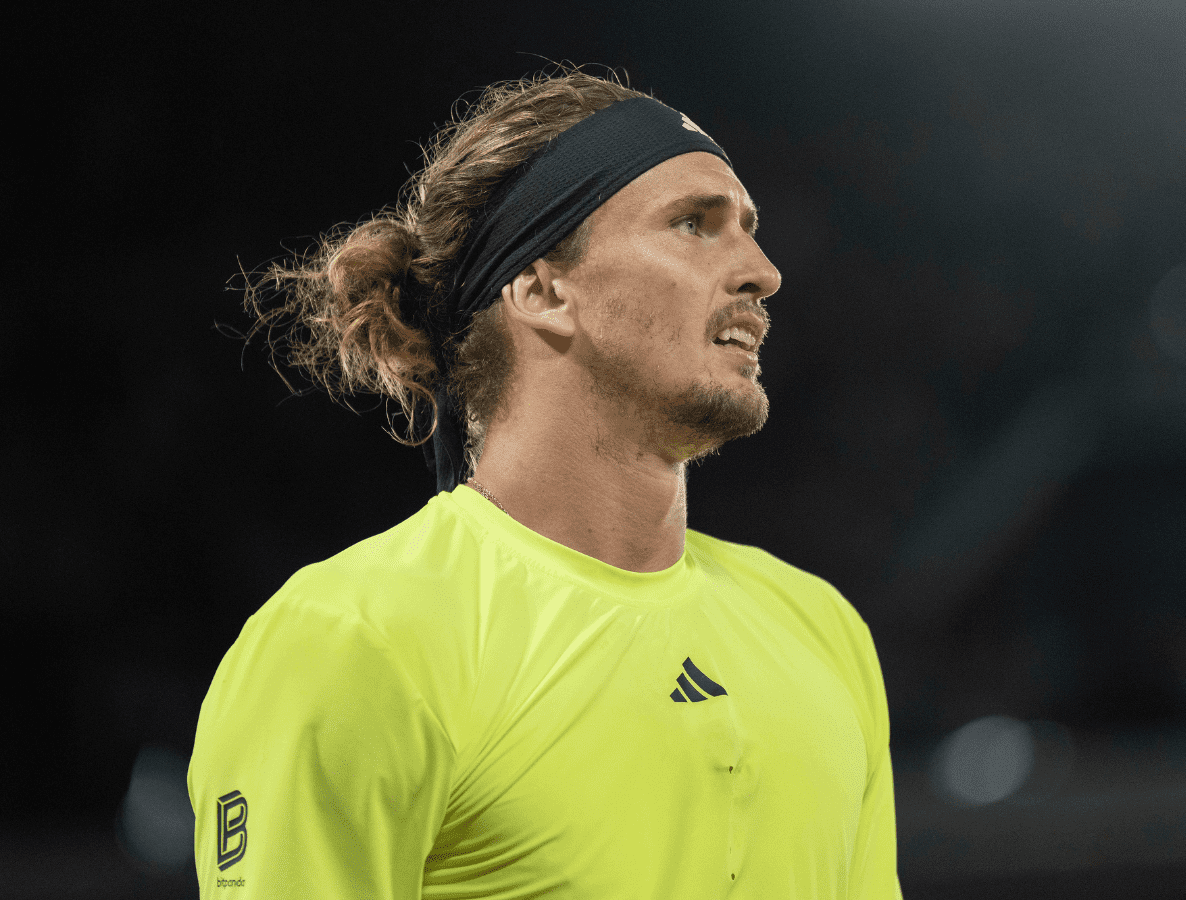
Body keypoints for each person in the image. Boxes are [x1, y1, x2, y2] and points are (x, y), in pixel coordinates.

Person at [188, 67, 902, 899]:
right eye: (693, 224)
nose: (763, 271)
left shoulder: (821, 629)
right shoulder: (355, 638)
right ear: (541, 288)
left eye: (748, 228)